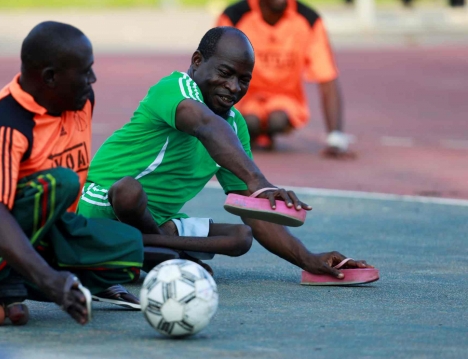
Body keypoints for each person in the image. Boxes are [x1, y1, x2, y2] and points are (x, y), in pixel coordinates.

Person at [77, 27, 369, 279]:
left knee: (241, 237)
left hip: (157, 225)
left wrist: (308, 259)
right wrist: (259, 181)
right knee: (128, 191)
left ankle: (150, 250)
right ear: (197, 61)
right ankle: (167, 256)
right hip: (102, 207)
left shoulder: (233, 125)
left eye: (244, 80)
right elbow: (204, 125)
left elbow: (255, 215)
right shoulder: (173, 88)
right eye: (225, 73)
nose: (233, 87)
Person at [0, 21, 143, 325]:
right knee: (62, 182)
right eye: (85, 71)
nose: (93, 79)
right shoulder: (6, 124)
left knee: (130, 247)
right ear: (50, 77)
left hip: (41, 227)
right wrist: (50, 281)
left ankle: (27, 273)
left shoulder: (80, 101)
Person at [217, 0, 354, 157]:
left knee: (277, 120)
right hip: (243, 97)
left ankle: (266, 134)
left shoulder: (308, 20)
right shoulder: (234, 16)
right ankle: (255, 135)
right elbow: (215, 70)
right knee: (248, 122)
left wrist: (335, 138)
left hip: (285, 100)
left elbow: (327, 77)